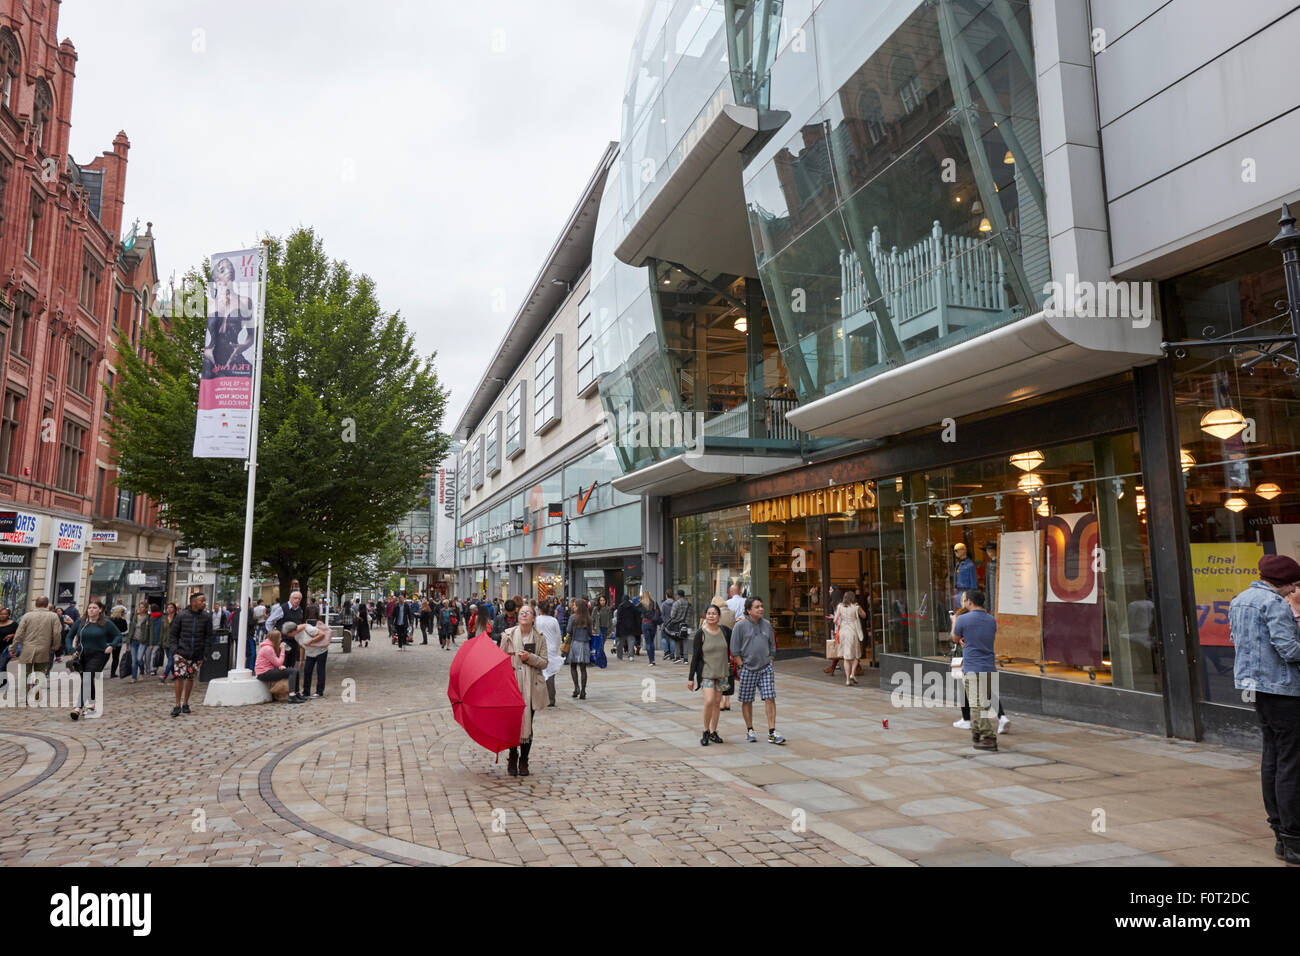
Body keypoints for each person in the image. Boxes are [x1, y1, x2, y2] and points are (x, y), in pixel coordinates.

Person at [1231, 554, 1300, 864]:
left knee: (1272, 759)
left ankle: (1280, 836)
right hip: (1285, 691)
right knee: (1291, 765)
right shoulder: (1273, 603)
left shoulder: (1240, 599)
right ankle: (1294, 838)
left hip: (1256, 689)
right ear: (1283, 583)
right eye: (1294, 585)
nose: (1294, 591)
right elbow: (1289, 650)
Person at [499, 604, 548, 777]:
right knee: (513, 724)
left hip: (532, 686)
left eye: (528, 613)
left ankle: (524, 760)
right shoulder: (508, 635)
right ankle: (513, 756)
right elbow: (500, 660)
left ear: (534, 618)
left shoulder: (540, 637)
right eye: (522, 613)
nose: (524, 615)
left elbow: (544, 662)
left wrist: (530, 658)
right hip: (513, 685)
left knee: (528, 723)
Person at [729, 597, 784, 744]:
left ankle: (772, 732)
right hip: (747, 668)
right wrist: (741, 667)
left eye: (761, 606)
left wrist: (771, 660)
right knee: (747, 700)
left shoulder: (767, 625)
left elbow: (772, 645)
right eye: (757, 607)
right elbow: (734, 650)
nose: (761, 609)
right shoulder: (740, 626)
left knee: (770, 697)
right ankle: (750, 730)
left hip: (765, 668)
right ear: (749, 610)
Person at [952, 589, 998, 752]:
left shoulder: (963, 619)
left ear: (970, 602)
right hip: (989, 666)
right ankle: (977, 732)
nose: (964, 604)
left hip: (972, 666)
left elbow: (955, 638)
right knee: (982, 703)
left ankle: (989, 736)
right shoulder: (992, 620)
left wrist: (954, 622)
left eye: (965, 601)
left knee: (976, 703)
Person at [688, 604, 733, 746]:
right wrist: (690, 678)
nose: (711, 616)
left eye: (714, 613)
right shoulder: (701, 634)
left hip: (721, 673)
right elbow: (695, 657)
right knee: (709, 700)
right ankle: (705, 730)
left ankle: (714, 731)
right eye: (709, 613)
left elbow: (736, 643)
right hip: (706, 673)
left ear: (719, 617)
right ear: (705, 616)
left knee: (716, 703)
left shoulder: (725, 631)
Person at [169, 591, 213, 717]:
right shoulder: (182, 615)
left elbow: (209, 636)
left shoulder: (206, 617)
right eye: (202, 601)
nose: (204, 603)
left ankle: (186, 703)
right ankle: (177, 704)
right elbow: (173, 634)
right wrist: (174, 650)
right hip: (181, 651)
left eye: (205, 601)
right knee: (179, 676)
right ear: (194, 602)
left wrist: (205, 652)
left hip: (197, 652)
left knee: (190, 677)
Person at [69, 600, 114, 720]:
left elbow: (118, 635)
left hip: (99, 655)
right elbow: (69, 637)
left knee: (88, 678)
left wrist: (111, 645)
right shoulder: (81, 622)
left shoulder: (106, 623)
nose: (91, 610)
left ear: (100, 610)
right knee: (87, 679)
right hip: (82, 655)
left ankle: (78, 707)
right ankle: (92, 705)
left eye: (94, 608)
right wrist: (72, 650)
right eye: (90, 607)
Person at [14, 597, 62, 699]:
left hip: (27, 649)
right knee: (40, 673)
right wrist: (56, 646)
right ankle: (37, 694)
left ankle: (23, 697)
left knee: (25, 674)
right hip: (43, 649)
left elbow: (19, 633)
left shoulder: (27, 615)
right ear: (47, 604)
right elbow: (57, 633)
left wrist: (13, 647)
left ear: (35, 604)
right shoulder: (53, 616)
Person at [255, 629, 307, 703]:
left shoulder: (269, 647)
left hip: (267, 671)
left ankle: (296, 693)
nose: (281, 639)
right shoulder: (268, 648)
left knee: (295, 671)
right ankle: (292, 696)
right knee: (292, 671)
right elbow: (278, 662)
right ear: (275, 638)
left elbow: (273, 662)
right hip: (263, 673)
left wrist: (279, 667)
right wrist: (282, 650)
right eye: (279, 637)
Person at [833, 590, 867, 687]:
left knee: (846, 658)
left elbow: (835, 620)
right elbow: (864, 615)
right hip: (852, 632)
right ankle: (852, 674)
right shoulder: (856, 607)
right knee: (856, 655)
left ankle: (847, 680)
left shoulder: (840, 606)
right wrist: (859, 607)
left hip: (843, 632)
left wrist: (840, 624)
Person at [536, 599, 564, 707]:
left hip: (540, 649)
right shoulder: (554, 621)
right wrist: (557, 648)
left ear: (540, 610)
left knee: (539, 674)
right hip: (551, 649)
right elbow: (558, 637)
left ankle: (540, 697)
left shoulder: (537, 620)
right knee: (551, 674)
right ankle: (551, 698)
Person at [266, 591, 306, 667]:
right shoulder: (282, 608)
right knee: (282, 664)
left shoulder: (300, 610)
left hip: (294, 640)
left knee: (291, 664)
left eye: (299, 599)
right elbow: (269, 621)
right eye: (295, 598)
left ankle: (289, 678)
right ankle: (282, 678)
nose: (297, 600)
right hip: (283, 640)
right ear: (290, 598)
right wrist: (273, 635)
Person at [566, 598, 593, 699]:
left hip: (575, 643)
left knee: (573, 666)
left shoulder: (573, 617)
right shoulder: (588, 618)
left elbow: (568, 630)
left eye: (575, 605)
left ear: (578, 607)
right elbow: (590, 633)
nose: (573, 607)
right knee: (583, 669)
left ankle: (576, 687)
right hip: (585, 644)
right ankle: (583, 691)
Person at [299, 621, 331, 698]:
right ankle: (306, 691)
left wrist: (311, 641)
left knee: (320, 670)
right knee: (308, 671)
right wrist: (301, 660)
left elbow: (322, 635)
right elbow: (301, 646)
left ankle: (319, 691)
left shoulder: (309, 628)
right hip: (310, 653)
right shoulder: (298, 633)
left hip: (321, 651)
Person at [125, 600, 151, 682]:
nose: (140, 608)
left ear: (146, 608)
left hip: (143, 641)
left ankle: (142, 672)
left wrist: (151, 643)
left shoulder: (148, 618)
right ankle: (134, 677)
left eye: (142, 607)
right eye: (139, 606)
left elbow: (151, 631)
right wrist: (128, 641)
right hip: (133, 641)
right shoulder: (135, 617)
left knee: (139, 658)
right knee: (134, 660)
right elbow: (131, 630)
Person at [664, 589, 691, 664]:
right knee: (685, 641)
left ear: (679, 595)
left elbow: (672, 615)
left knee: (677, 640)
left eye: (676, 595)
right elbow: (690, 615)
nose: (676, 596)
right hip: (687, 625)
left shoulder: (676, 603)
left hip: (677, 625)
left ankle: (678, 657)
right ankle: (686, 659)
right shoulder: (688, 603)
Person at [614, 594, 641, 663]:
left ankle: (619, 656)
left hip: (622, 628)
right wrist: (637, 627)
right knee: (631, 641)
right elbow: (637, 618)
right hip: (631, 627)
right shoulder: (633, 607)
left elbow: (619, 619)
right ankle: (631, 656)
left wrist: (617, 629)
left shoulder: (620, 606)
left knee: (620, 642)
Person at [107, 604, 128, 678]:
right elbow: (125, 630)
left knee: (105, 657)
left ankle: (98, 671)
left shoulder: (109, 620)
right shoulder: (122, 621)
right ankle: (112, 673)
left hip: (108, 640)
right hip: (118, 641)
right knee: (115, 658)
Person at [161, 602, 178, 680]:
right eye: (168, 607)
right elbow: (162, 631)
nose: (169, 609)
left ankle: (165, 675)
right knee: (170, 659)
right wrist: (160, 642)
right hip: (165, 642)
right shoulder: (164, 618)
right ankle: (175, 674)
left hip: (174, 642)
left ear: (174, 609)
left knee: (171, 659)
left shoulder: (178, 618)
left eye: (171, 607)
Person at [640, 593, 659, 666]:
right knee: (651, 641)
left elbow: (635, 608)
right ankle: (653, 659)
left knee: (648, 642)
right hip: (653, 624)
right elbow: (658, 612)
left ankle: (651, 661)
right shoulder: (654, 602)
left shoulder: (642, 603)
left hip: (645, 623)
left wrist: (640, 599)